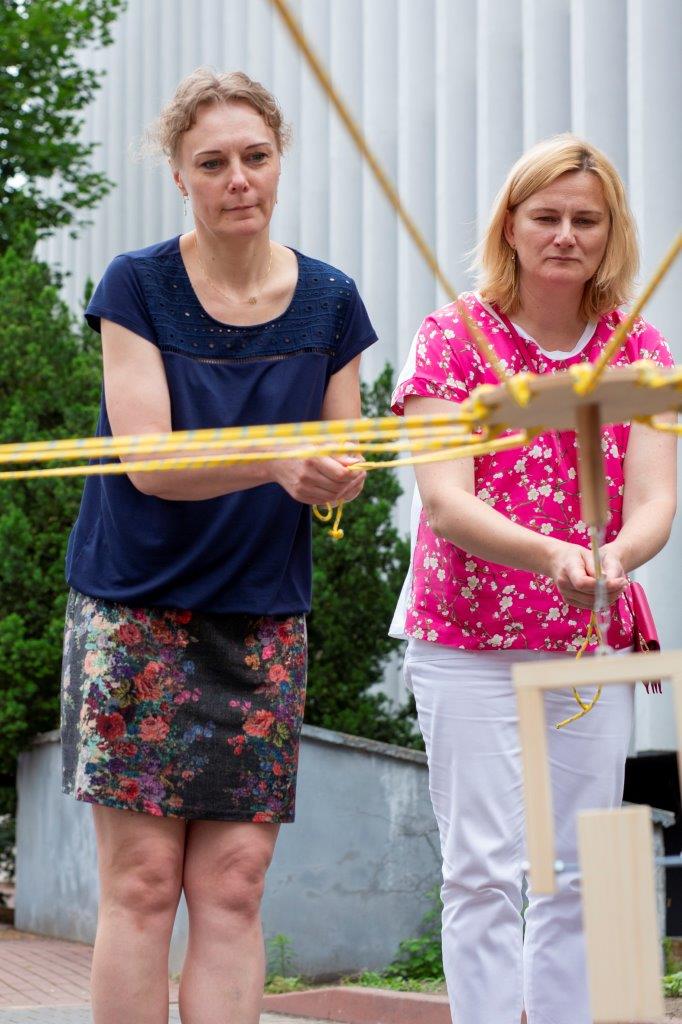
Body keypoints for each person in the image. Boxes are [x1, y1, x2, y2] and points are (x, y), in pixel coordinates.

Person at [61, 67, 377, 1024]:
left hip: (261, 618)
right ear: (180, 175)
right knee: (143, 883)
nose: (238, 178)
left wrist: (337, 479)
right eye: (212, 163)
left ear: (279, 163)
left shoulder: (332, 300)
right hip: (137, 611)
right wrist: (278, 460)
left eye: (255, 156)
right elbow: (150, 465)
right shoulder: (137, 286)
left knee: (235, 886)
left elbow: (346, 455)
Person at [390, 134, 677, 1024]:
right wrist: (554, 555)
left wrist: (618, 557)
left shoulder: (641, 345)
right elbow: (445, 502)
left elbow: (655, 501)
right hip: (467, 635)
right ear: (510, 226)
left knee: (588, 865)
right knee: (481, 867)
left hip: (590, 640)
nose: (565, 235)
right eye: (545, 216)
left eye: (586, 219)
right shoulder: (453, 334)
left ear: (611, 232)